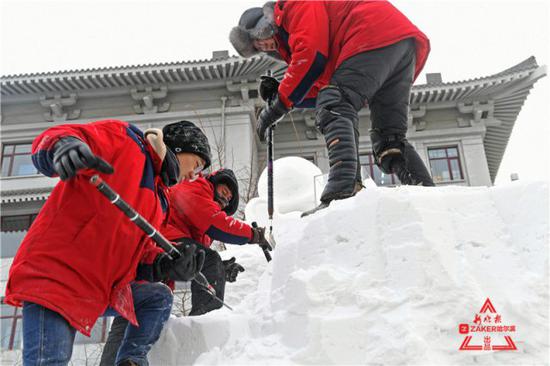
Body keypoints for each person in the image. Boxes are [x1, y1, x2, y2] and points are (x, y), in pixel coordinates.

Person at [4, 119, 211, 366]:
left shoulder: (159, 199)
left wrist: (164, 264)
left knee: (157, 297)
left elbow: (138, 253)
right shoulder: (126, 140)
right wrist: (64, 146)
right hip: (56, 276)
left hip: (98, 287)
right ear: (179, 149)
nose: (192, 176)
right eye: (197, 165)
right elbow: (56, 134)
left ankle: (131, 361)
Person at [229, 0, 435, 216]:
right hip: (396, 45)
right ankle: (427, 196)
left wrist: (278, 105)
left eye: (257, 39)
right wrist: (284, 94)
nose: (261, 46)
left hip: (369, 32)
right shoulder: (297, 41)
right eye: (256, 48)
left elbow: (311, 57)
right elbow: (318, 86)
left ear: (266, 22)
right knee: (389, 140)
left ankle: (342, 190)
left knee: (334, 103)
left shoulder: (294, 8)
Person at [99, 168, 271, 365]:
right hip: (160, 244)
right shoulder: (196, 188)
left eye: (229, 197)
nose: (225, 197)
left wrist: (220, 271)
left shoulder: (201, 229)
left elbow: (193, 265)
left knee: (131, 313)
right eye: (224, 190)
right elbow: (214, 224)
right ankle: (205, 322)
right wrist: (252, 235)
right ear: (214, 183)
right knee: (208, 259)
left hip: (156, 266)